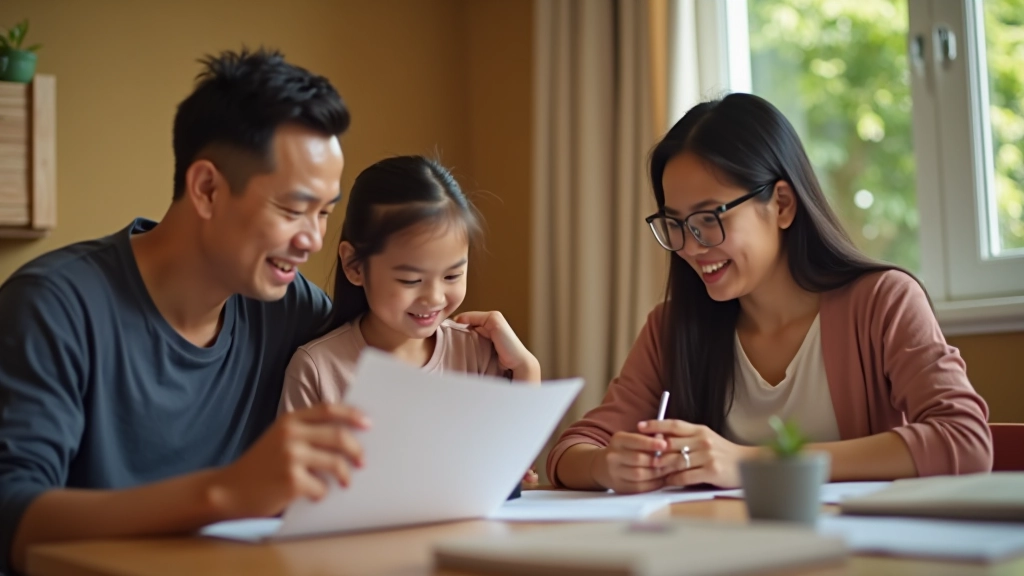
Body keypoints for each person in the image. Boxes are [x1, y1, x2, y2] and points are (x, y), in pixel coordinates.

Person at [0, 48, 368, 575]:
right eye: (292, 209)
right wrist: (224, 492)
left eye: (325, 212)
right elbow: (12, 519)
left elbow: (382, 370)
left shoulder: (291, 307)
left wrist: (499, 373)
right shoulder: (53, 305)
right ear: (207, 188)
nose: (313, 240)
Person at [547, 93, 993, 494]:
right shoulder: (671, 327)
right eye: (676, 224)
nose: (690, 245)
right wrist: (610, 466)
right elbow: (570, 452)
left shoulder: (882, 302)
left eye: (708, 218)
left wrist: (750, 463)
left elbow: (965, 440)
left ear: (781, 204)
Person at [280, 155, 541, 492]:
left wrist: (525, 368)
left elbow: (516, 471)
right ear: (355, 265)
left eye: (452, 275)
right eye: (410, 280)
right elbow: (293, 489)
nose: (434, 298)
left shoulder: (475, 353)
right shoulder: (317, 369)